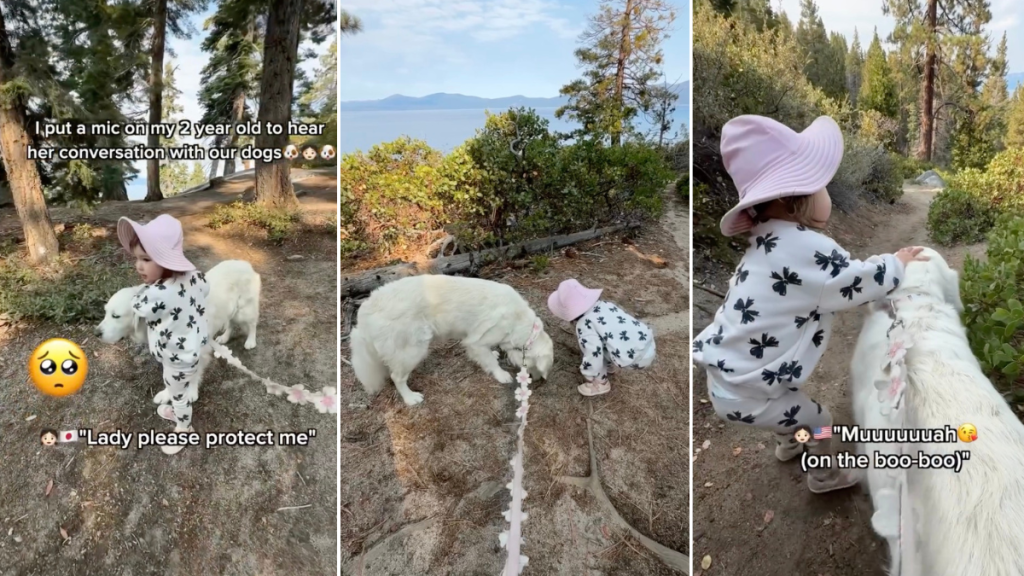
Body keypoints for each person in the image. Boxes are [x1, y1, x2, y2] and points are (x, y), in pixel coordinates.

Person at [691, 115, 928, 493]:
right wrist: (897, 263)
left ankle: (788, 441)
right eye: (821, 184)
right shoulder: (805, 247)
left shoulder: (763, 246)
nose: (827, 193)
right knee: (821, 420)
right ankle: (824, 476)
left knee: (788, 412)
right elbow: (855, 281)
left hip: (729, 381)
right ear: (793, 196)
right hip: (748, 392)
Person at [118, 214, 209, 455]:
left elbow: (136, 305)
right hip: (192, 350)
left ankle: (183, 427)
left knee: (178, 393)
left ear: (166, 261)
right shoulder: (196, 277)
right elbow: (205, 287)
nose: (138, 266)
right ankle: (179, 411)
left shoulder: (157, 293)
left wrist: (144, 290)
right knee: (177, 384)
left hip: (175, 357)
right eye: (137, 258)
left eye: (146, 259)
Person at [548, 279, 656, 396]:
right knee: (608, 338)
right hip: (648, 344)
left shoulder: (584, 324)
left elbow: (593, 353)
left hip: (636, 359)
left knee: (598, 352)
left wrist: (588, 372)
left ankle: (601, 383)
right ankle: (610, 366)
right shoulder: (606, 305)